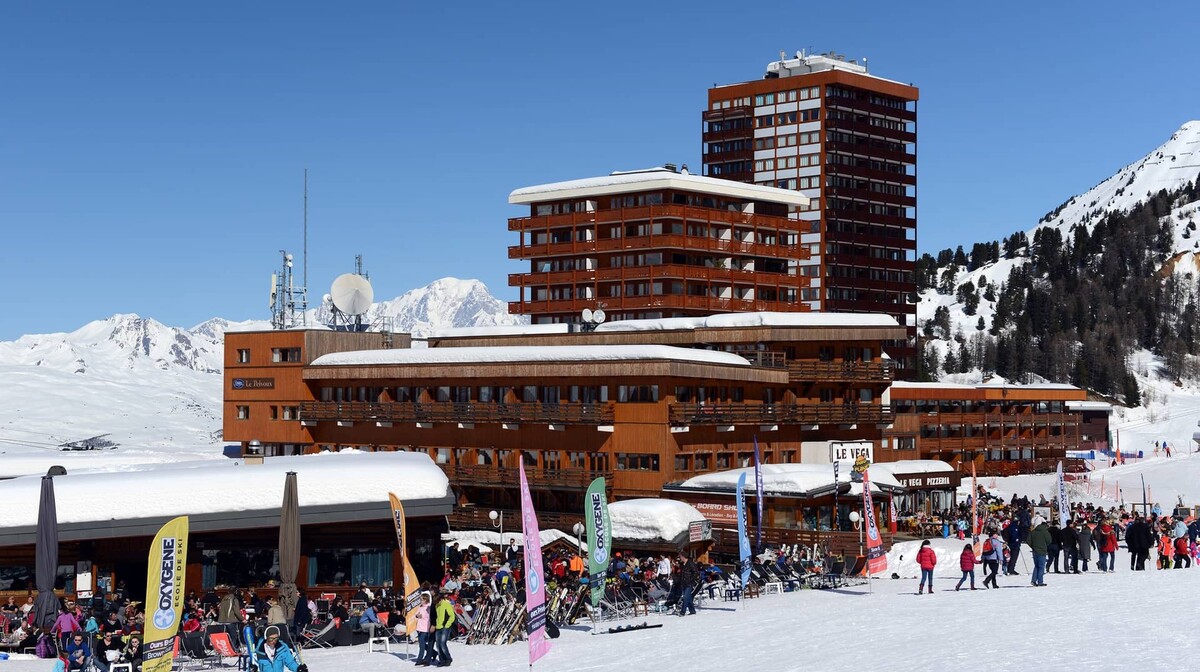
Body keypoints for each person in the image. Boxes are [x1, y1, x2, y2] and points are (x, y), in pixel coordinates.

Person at [432, 590, 455, 668]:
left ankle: (448, 659)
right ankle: (442, 660)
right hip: (438, 627)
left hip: (445, 627)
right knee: (438, 645)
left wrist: (447, 625)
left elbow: (452, 616)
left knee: (442, 643)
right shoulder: (436, 605)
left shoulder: (446, 604)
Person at [413, 592, 436, 667]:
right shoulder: (420, 607)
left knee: (422, 645)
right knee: (421, 644)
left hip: (425, 628)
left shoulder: (428, 607)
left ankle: (420, 659)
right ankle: (433, 652)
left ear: (426, 600)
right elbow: (416, 614)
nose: (421, 601)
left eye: (422, 600)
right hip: (419, 627)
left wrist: (422, 616)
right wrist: (417, 615)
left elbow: (429, 616)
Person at [1029, 515, 1051, 587]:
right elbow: (1049, 541)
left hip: (1034, 551)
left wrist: (1032, 546)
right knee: (1041, 567)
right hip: (1042, 550)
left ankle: (1033, 580)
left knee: (1036, 566)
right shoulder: (1045, 532)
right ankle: (1040, 582)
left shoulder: (1033, 531)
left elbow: (1028, 540)